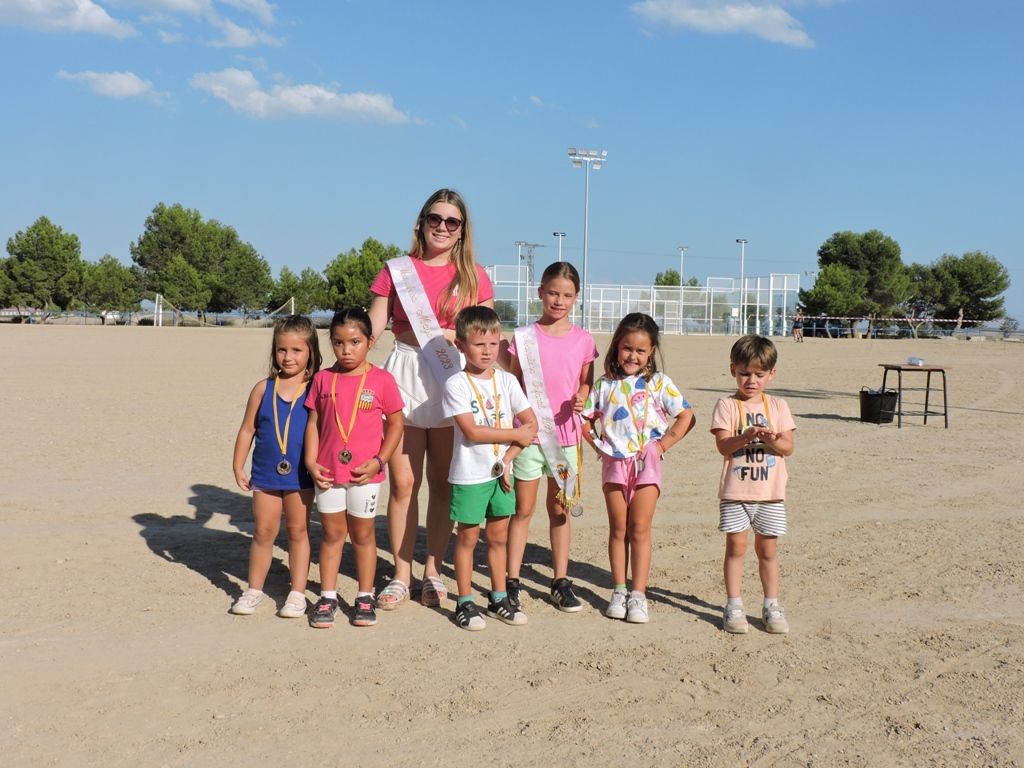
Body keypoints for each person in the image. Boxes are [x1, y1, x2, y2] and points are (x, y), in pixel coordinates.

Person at [368, 189, 494, 610]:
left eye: (451, 221)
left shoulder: (475, 277)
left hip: (451, 377)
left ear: (462, 231)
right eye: (434, 218)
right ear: (421, 222)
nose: (442, 227)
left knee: (442, 483)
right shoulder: (395, 271)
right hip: (403, 373)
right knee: (403, 484)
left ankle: (433, 572)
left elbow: (488, 335)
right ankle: (401, 575)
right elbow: (373, 326)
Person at [581, 313, 695, 624]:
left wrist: (662, 445)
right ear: (617, 346)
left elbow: (686, 416)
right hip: (614, 465)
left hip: (647, 466)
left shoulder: (660, 383)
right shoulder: (604, 384)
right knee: (618, 528)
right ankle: (619, 590)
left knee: (640, 529)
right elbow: (584, 420)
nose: (632, 356)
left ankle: (638, 594)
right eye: (627, 348)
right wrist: (598, 446)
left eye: (640, 350)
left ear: (651, 351)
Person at [500, 261, 597, 615]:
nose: (559, 301)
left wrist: (583, 396)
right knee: (522, 509)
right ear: (540, 292)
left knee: (559, 510)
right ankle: (512, 580)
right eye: (553, 293)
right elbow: (514, 384)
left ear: (576, 297)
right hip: (528, 439)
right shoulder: (524, 337)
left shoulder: (584, 340)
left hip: (565, 441)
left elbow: (586, 380)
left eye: (567, 295)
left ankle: (560, 580)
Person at [303, 309, 404, 628]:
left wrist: (380, 460)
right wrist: (311, 461)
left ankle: (364, 595)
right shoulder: (323, 379)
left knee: (362, 535)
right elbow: (313, 422)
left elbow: (396, 424)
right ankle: (327, 596)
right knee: (332, 534)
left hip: (366, 475)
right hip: (328, 473)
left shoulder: (382, 380)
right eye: (338, 343)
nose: (346, 350)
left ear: (370, 342)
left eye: (355, 342)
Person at [443, 306, 537, 630]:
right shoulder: (456, 384)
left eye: (493, 344)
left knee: (498, 538)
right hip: (469, 475)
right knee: (468, 538)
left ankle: (498, 597)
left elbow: (531, 424)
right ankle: (465, 600)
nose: (487, 351)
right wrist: (514, 435)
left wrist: (509, 457)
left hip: (501, 474)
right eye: (478, 344)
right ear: (460, 345)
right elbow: (472, 431)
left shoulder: (508, 381)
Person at [230, 315, 322, 618]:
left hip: (301, 475)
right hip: (266, 473)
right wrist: (238, 465)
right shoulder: (263, 388)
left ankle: (297, 593)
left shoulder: (316, 388)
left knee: (298, 531)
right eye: (282, 349)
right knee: (263, 531)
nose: (288, 357)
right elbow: (247, 429)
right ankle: (254, 589)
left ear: (311, 351)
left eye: (297, 350)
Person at [710, 334, 796, 635]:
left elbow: (788, 447)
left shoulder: (779, 406)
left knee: (768, 550)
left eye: (759, 374)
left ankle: (772, 604)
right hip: (736, 492)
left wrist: (772, 439)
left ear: (771, 374)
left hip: (770, 494)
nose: (751, 380)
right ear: (733, 370)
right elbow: (723, 446)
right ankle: (733, 605)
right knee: (736, 547)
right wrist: (745, 437)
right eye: (744, 373)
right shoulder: (727, 405)